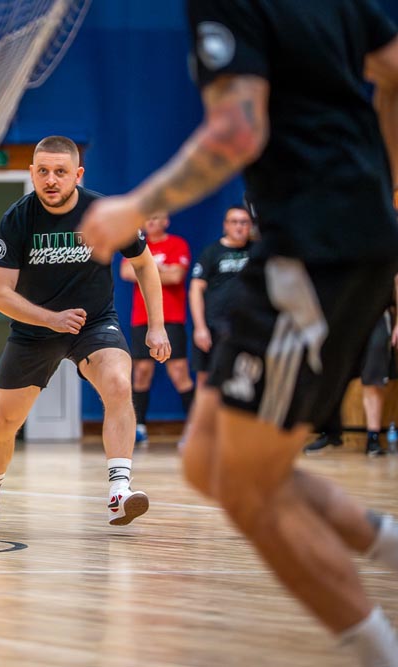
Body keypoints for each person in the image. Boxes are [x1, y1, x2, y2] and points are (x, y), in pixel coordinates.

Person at [79, 2, 398, 663]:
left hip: (317, 251)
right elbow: (393, 70)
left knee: (249, 484)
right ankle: (387, 544)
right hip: (300, 246)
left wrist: (134, 207)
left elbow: (236, 131)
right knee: (206, 460)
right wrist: (382, 188)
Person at [0, 135, 171, 529]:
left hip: (94, 323)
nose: (51, 180)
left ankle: (119, 492)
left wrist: (157, 326)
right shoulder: (17, 219)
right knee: (3, 421)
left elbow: (144, 264)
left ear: (77, 174)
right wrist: (50, 319)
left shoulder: (105, 213)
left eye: (60, 172)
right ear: (32, 173)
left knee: (119, 384)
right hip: (35, 329)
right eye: (43, 171)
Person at [119, 212, 194, 445]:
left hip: (172, 317)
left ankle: (195, 429)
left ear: (165, 221)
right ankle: (138, 426)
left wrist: (146, 271)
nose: (151, 222)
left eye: (156, 217)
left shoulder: (177, 244)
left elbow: (176, 276)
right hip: (142, 318)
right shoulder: (138, 242)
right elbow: (126, 272)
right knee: (141, 371)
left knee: (179, 371)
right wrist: (161, 270)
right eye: (148, 218)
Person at [306, 304, 397, 457]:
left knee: (373, 378)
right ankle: (330, 433)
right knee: (332, 375)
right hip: (344, 315)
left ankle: (373, 440)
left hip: (377, 316)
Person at [188, 205, 254, 390]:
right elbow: (195, 290)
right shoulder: (211, 252)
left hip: (247, 325)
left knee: (245, 378)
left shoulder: (256, 251)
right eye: (234, 222)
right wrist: (200, 328)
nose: (239, 227)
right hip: (214, 326)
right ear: (225, 225)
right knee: (206, 378)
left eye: (244, 222)